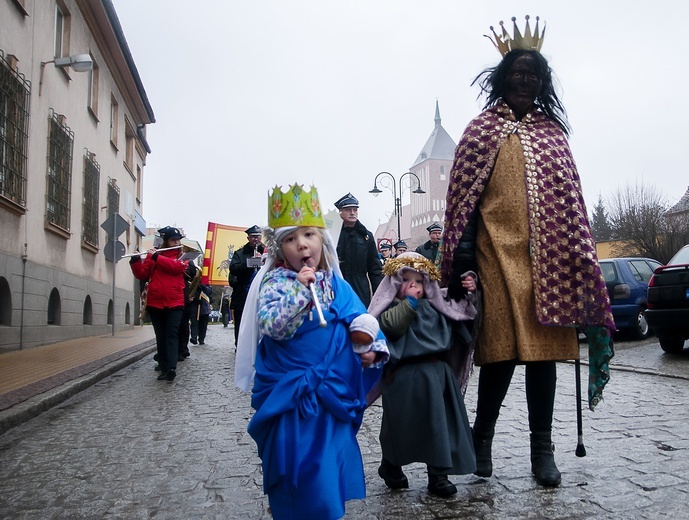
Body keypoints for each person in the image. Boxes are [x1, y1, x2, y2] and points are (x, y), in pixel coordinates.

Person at [440, 16, 615, 488]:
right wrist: (461, 260)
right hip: (494, 257)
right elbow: (465, 202)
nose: (525, 80)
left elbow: (572, 204)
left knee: (542, 356)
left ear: (542, 83)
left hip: (549, 263)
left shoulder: (553, 134)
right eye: (517, 73)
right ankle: (482, 441)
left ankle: (543, 449)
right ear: (503, 78)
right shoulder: (479, 132)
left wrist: (580, 258)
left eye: (533, 75)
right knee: (498, 354)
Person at [235, 183, 388, 520]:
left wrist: (370, 349)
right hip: (292, 398)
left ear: (321, 241)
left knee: (327, 470)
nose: (301, 244)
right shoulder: (275, 283)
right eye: (291, 238)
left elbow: (361, 317)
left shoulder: (336, 283)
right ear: (281, 249)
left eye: (308, 235)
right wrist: (302, 294)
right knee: (298, 469)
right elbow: (273, 325)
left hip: (331, 396)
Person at [368, 252, 477, 497]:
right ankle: (391, 466)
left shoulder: (437, 306)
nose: (414, 286)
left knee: (441, 425)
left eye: (419, 281)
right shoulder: (392, 309)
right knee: (399, 426)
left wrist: (467, 290)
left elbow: (462, 313)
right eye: (407, 281)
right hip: (403, 374)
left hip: (437, 374)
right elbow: (392, 327)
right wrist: (409, 303)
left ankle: (438, 475)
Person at [130, 226, 196, 382]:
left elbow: (176, 268)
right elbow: (143, 274)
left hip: (175, 302)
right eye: (173, 240)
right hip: (155, 302)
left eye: (178, 240)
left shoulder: (182, 256)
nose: (176, 243)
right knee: (160, 336)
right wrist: (135, 261)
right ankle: (164, 367)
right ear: (166, 241)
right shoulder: (155, 255)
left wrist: (156, 258)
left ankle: (172, 367)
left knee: (172, 334)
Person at [334, 192, 383, 307]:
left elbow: (374, 269)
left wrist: (379, 296)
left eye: (355, 210)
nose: (352, 213)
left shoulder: (366, 236)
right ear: (340, 212)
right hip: (338, 284)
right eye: (348, 210)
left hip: (360, 287)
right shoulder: (333, 234)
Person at [229, 225, 265, 347]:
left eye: (258, 236)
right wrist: (249, 263)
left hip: (261, 293)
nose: (256, 239)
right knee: (241, 323)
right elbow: (233, 269)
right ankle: (240, 345)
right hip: (243, 294)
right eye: (253, 237)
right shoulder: (239, 254)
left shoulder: (266, 251)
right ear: (248, 238)